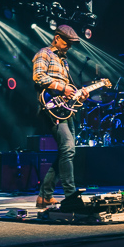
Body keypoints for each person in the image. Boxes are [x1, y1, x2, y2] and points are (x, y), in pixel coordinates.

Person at [33, 24, 88, 210]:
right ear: (57, 37)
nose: (69, 46)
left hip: (65, 108)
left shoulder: (64, 60)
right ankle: (70, 195)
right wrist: (61, 87)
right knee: (68, 149)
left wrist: (79, 93)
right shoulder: (44, 54)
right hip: (51, 107)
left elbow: (67, 89)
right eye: (67, 42)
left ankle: (44, 196)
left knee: (67, 151)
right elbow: (38, 77)